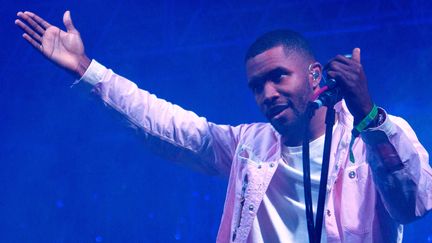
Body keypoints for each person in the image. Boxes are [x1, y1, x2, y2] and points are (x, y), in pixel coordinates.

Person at [15, 10, 432, 243]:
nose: (267, 93)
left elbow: (414, 205)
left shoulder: (372, 135)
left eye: (278, 77)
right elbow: (162, 123)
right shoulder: (248, 145)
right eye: (256, 86)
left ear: (315, 75)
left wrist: (369, 115)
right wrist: (87, 70)